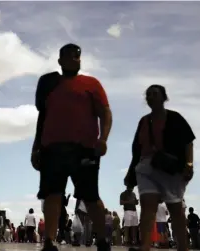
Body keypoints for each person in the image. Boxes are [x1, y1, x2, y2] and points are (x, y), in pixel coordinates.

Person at [31, 43, 112, 251]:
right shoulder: (48, 83)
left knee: (90, 196)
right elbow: (43, 117)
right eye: (69, 56)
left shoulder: (92, 84)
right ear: (60, 61)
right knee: (52, 194)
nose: (74, 60)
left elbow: (105, 113)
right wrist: (36, 146)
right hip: (53, 147)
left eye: (77, 57)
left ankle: (102, 240)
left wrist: (103, 139)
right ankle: (49, 241)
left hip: (84, 148)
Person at [124, 85, 195, 251]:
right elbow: (136, 150)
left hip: (169, 169)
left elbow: (188, 141)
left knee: (176, 210)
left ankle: (183, 247)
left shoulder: (175, 118)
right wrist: (130, 177)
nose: (150, 97)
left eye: (154, 94)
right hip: (145, 167)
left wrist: (189, 164)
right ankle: (145, 246)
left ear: (164, 97)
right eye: (148, 95)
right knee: (147, 206)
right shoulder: (143, 121)